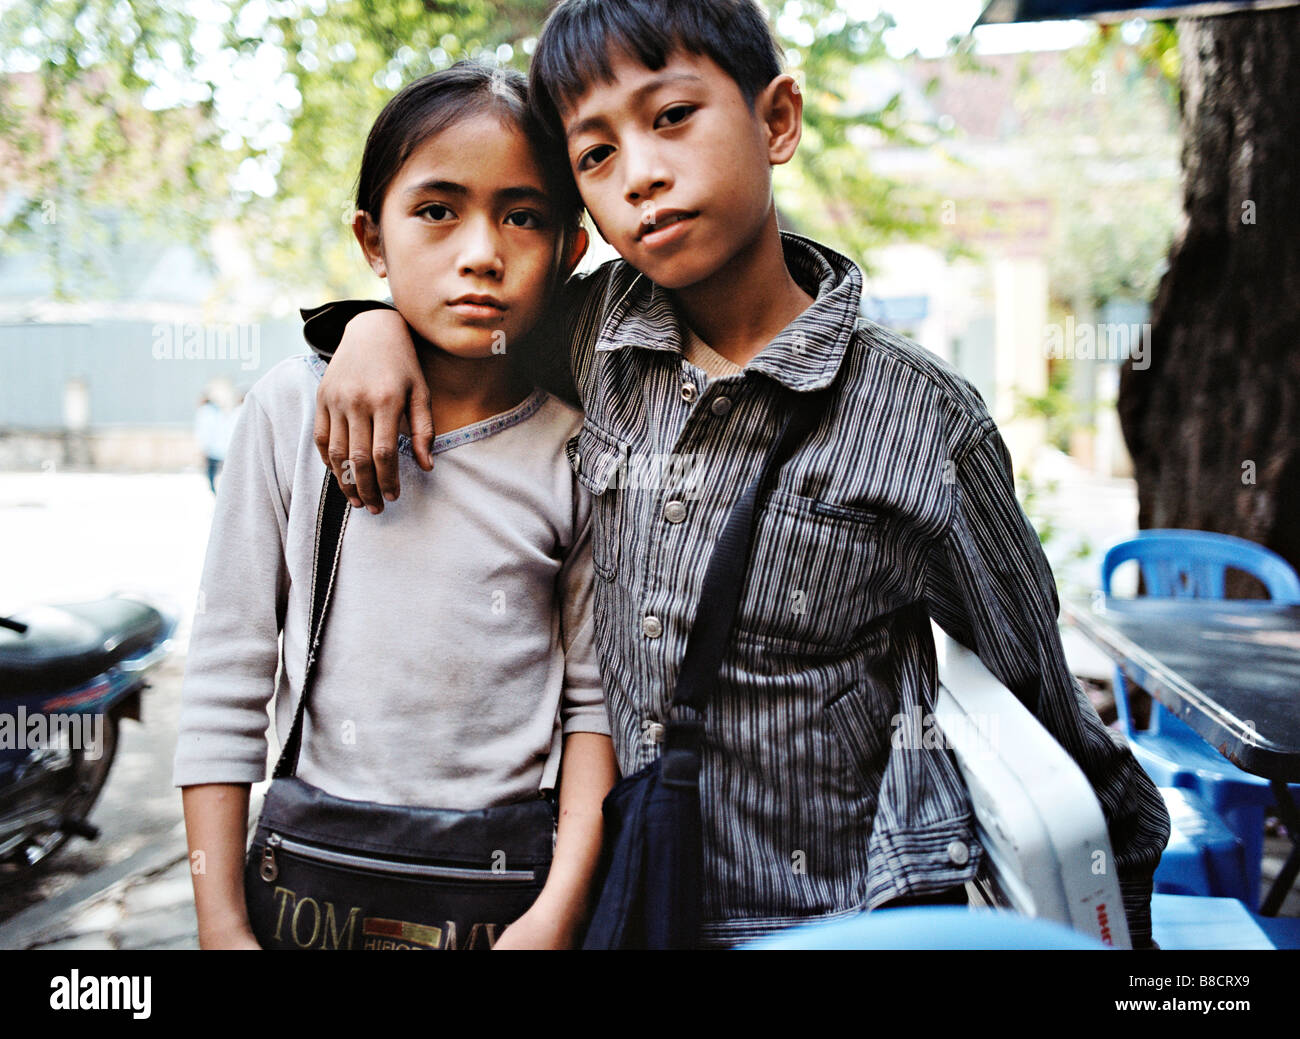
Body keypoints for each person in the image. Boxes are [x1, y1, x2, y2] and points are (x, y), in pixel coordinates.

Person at [302, 0, 1170, 949]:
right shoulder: (590, 335)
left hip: (837, 922)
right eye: (594, 155)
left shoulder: (924, 420)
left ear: (777, 119)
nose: (640, 174)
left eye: (671, 116)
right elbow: (453, 308)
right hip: (622, 901)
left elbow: (1053, 722)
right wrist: (367, 327)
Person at [172, 62, 617, 950]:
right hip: (308, 885)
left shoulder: (579, 449)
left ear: (571, 249)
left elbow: (594, 706)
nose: (481, 251)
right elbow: (226, 673)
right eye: (437, 210)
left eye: (523, 216)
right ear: (373, 240)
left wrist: (557, 913)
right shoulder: (289, 412)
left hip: (502, 894)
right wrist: (220, 921)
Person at [193, 395, 230, 494]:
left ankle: (214, 489)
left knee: (212, 471)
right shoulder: (217, 412)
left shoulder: (204, 413)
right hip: (221, 447)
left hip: (212, 448)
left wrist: (203, 448)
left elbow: (204, 432)